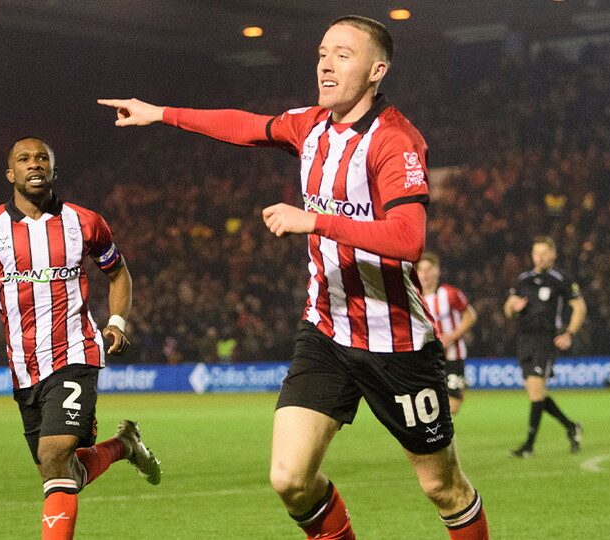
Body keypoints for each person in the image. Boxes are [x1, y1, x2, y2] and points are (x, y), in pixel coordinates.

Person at [100, 15, 489, 540]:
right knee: (290, 478)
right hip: (326, 332)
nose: (326, 64)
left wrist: (316, 221)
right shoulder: (309, 126)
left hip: (396, 343)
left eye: (343, 55)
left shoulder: (394, 141)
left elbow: (407, 238)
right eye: (323, 53)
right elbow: (245, 126)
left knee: (443, 487)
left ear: (377, 71)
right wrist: (161, 114)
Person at [0, 137, 162, 540]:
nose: (34, 164)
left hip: (76, 352)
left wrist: (117, 321)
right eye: (24, 159)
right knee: (59, 471)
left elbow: (118, 273)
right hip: (24, 366)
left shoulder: (85, 223)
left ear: (53, 170)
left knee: (54, 453)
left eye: (42, 158)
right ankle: (124, 445)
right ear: (10, 173)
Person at [503, 236, 586, 457]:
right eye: (536, 254)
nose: (539, 258)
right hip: (525, 339)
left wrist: (569, 333)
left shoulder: (562, 279)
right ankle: (571, 426)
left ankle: (529, 446)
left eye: (543, 253)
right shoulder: (524, 279)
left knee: (536, 390)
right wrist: (513, 306)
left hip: (546, 339)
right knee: (536, 393)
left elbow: (579, 307)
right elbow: (507, 309)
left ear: (553, 254)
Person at [416, 253, 478, 415]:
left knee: (453, 407)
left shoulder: (449, 293)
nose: (425, 274)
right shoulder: (413, 297)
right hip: (426, 358)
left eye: (429, 269)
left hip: (452, 356)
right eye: (421, 270)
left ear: (437, 271)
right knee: (426, 406)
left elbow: (470, 315)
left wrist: (452, 336)